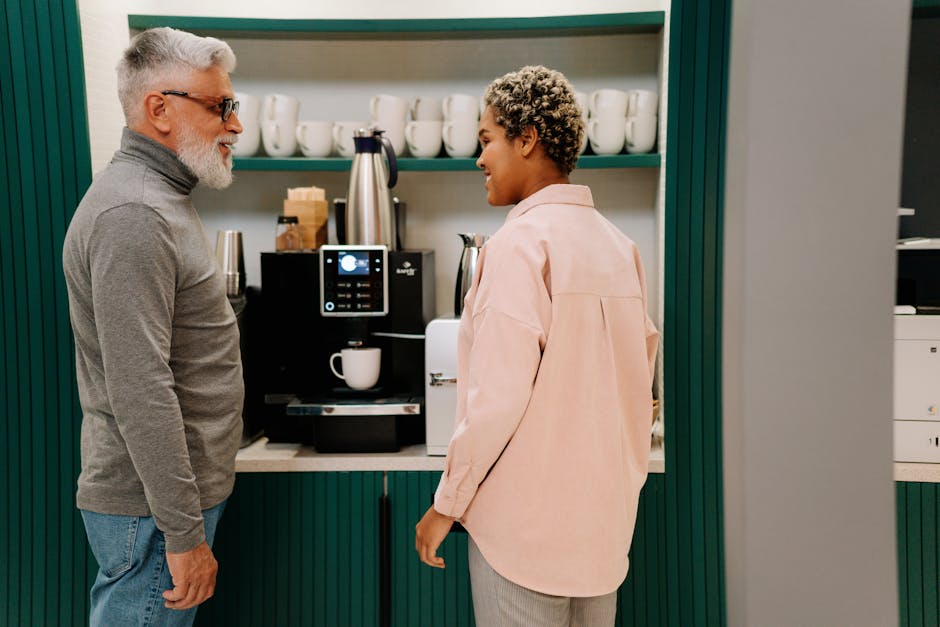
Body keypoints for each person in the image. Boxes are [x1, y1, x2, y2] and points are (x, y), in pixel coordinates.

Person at [414, 65, 659, 626]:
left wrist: (444, 506)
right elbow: (637, 395)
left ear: (526, 140)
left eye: (487, 140)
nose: (479, 159)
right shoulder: (621, 248)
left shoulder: (517, 247)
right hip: (602, 536)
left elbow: (496, 401)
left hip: (521, 539)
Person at [62, 27, 244, 626]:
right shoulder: (135, 213)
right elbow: (140, 389)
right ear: (158, 109)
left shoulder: (161, 197)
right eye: (220, 107)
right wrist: (184, 533)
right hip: (152, 513)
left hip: (162, 507)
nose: (234, 125)